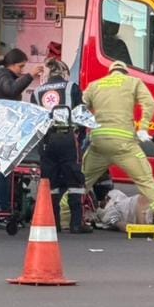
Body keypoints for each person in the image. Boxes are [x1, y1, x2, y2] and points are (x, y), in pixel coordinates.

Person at [81, 60, 154, 237]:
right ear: (125, 72)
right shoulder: (133, 82)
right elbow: (149, 103)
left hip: (99, 143)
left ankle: (64, 217)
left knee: (80, 182)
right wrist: (143, 127)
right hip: (124, 143)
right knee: (146, 181)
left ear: (110, 72)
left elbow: (80, 107)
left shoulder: (95, 85)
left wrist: (88, 128)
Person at [31, 57, 90, 233]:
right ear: (64, 73)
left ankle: (53, 223)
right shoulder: (71, 87)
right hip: (67, 138)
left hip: (46, 141)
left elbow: (34, 120)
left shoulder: (37, 92)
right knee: (74, 180)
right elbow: (81, 115)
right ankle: (76, 223)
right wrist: (80, 138)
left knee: (51, 182)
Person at [0, 48, 42, 213]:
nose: (22, 70)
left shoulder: (3, 75)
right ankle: (3, 207)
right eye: (20, 67)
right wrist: (30, 75)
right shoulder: (3, 75)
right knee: (4, 170)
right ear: (11, 64)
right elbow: (11, 90)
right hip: (1, 130)